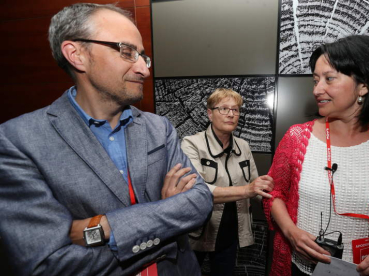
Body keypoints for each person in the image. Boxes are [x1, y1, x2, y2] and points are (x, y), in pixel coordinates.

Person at [0, 3, 213, 276]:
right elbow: (51, 265)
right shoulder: (17, 141)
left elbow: (200, 201)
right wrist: (167, 224)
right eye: (127, 52)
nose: (144, 69)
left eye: (143, 57)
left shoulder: (158, 127)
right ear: (76, 55)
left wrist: (102, 228)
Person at [263, 35, 369, 276]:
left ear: (364, 85)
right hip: (301, 270)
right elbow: (274, 193)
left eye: (329, 79)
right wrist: (292, 233)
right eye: (315, 80)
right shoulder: (297, 138)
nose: (317, 89)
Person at [181, 88, 274, 275]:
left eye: (236, 109)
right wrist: (249, 190)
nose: (231, 114)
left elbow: (256, 184)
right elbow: (197, 190)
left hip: (231, 231)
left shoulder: (244, 146)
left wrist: (277, 203)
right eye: (224, 109)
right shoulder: (191, 143)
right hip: (198, 230)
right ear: (210, 113)